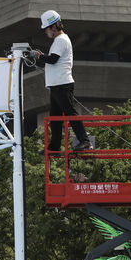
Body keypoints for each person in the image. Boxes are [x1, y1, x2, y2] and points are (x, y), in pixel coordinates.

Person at [31, 10, 93, 153]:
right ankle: (55, 147)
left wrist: (39, 56)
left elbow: (53, 59)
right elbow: (53, 59)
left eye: (46, 29)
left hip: (62, 84)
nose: (46, 32)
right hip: (57, 85)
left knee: (70, 113)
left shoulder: (61, 40)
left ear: (53, 27)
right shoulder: (60, 40)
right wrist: (41, 56)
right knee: (55, 117)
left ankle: (85, 141)